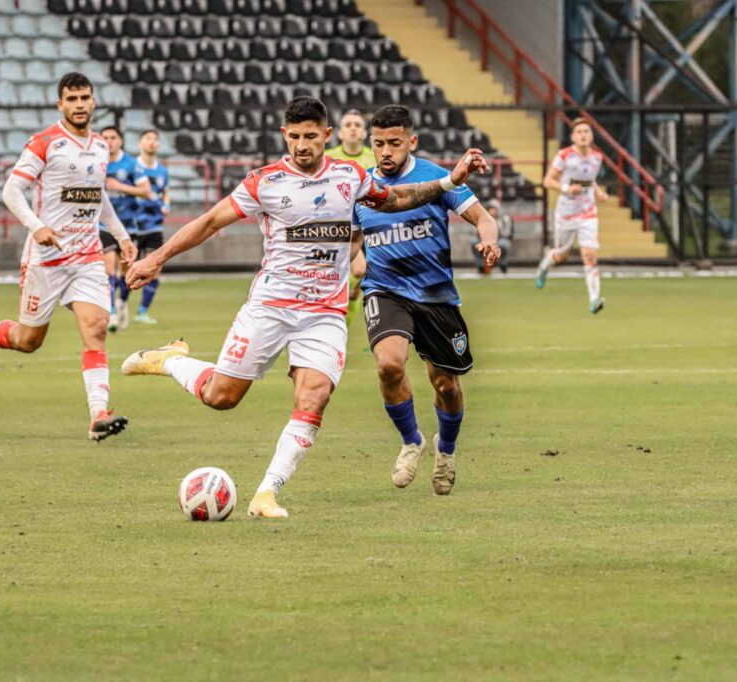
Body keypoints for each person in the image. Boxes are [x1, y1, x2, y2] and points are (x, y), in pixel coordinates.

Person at [120, 96, 490, 519]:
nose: (302, 145)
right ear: (284, 135)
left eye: (311, 136)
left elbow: (394, 199)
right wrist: (156, 259)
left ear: (326, 135)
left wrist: (448, 182)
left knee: (313, 397)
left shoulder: (349, 176)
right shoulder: (264, 182)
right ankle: (170, 360)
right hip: (270, 307)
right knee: (221, 397)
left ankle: (267, 493)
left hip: (324, 313)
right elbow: (209, 222)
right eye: (294, 136)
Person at [0, 72, 137, 441]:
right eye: (72, 99)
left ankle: (98, 416)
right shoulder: (45, 143)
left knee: (96, 329)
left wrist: (122, 236)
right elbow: (11, 190)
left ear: (93, 101)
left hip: (87, 257)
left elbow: (98, 196)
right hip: (47, 258)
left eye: (85, 98)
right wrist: (37, 227)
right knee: (28, 341)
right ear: (60, 104)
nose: (79, 105)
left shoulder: (101, 146)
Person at [353, 104, 500, 496]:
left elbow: (484, 218)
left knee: (446, 385)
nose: (386, 151)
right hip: (385, 289)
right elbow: (350, 242)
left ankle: (445, 449)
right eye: (379, 143)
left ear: (412, 141)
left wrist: (489, 240)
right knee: (389, 364)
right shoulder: (361, 188)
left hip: (436, 295)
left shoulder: (436, 177)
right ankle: (411, 441)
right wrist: (351, 261)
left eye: (395, 143)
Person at [535, 117, 609, 313]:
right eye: (579, 132)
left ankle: (594, 299)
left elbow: (590, 180)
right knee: (561, 254)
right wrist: (567, 189)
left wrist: (598, 192)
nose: (583, 135)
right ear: (573, 137)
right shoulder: (565, 156)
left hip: (588, 212)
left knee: (589, 255)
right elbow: (548, 181)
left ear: (591, 136)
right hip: (566, 213)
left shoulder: (597, 158)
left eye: (586, 131)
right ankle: (544, 266)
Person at [326, 109, 376, 327]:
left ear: (365, 133)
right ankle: (336, 320)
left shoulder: (374, 157)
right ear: (339, 133)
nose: (353, 129)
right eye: (348, 125)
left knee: (357, 287)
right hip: (342, 225)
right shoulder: (329, 158)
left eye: (357, 125)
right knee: (359, 270)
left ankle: (340, 329)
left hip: (373, 225)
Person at [100, 125, 151, 332]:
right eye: (105, 137)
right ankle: (111, 312)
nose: (109, 141)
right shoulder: (97, 162)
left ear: (120, 141)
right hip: (103, 225)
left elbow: (146, 191)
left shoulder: (131, 164)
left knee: (125, 271)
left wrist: (119, 187)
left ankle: (122, 302)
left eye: (112, 137)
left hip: (128, 225)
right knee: (108, 268)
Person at [128, 129, 170, 325]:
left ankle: (142, 311)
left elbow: (165, 191)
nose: (152, 142)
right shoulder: (132, 166)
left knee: (156, 267)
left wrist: (166, 204)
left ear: (159, 144)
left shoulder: (162, 170)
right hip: (133, 225)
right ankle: (118, 306)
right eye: (148, 139)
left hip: (154, 225)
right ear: (140, 143)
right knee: (125, 269)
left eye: (155, 139)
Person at [471, 198, 513, 274]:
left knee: (503, 244)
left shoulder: (504, 219)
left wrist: (495, 230)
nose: (492, 211)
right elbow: (476, 231)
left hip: (499, 240)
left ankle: (502, 265)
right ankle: (480, 265)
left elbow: (507, 234)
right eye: (490, 209)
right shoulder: (482, 219)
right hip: (483, 239)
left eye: (494, 209)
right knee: (474, 241)